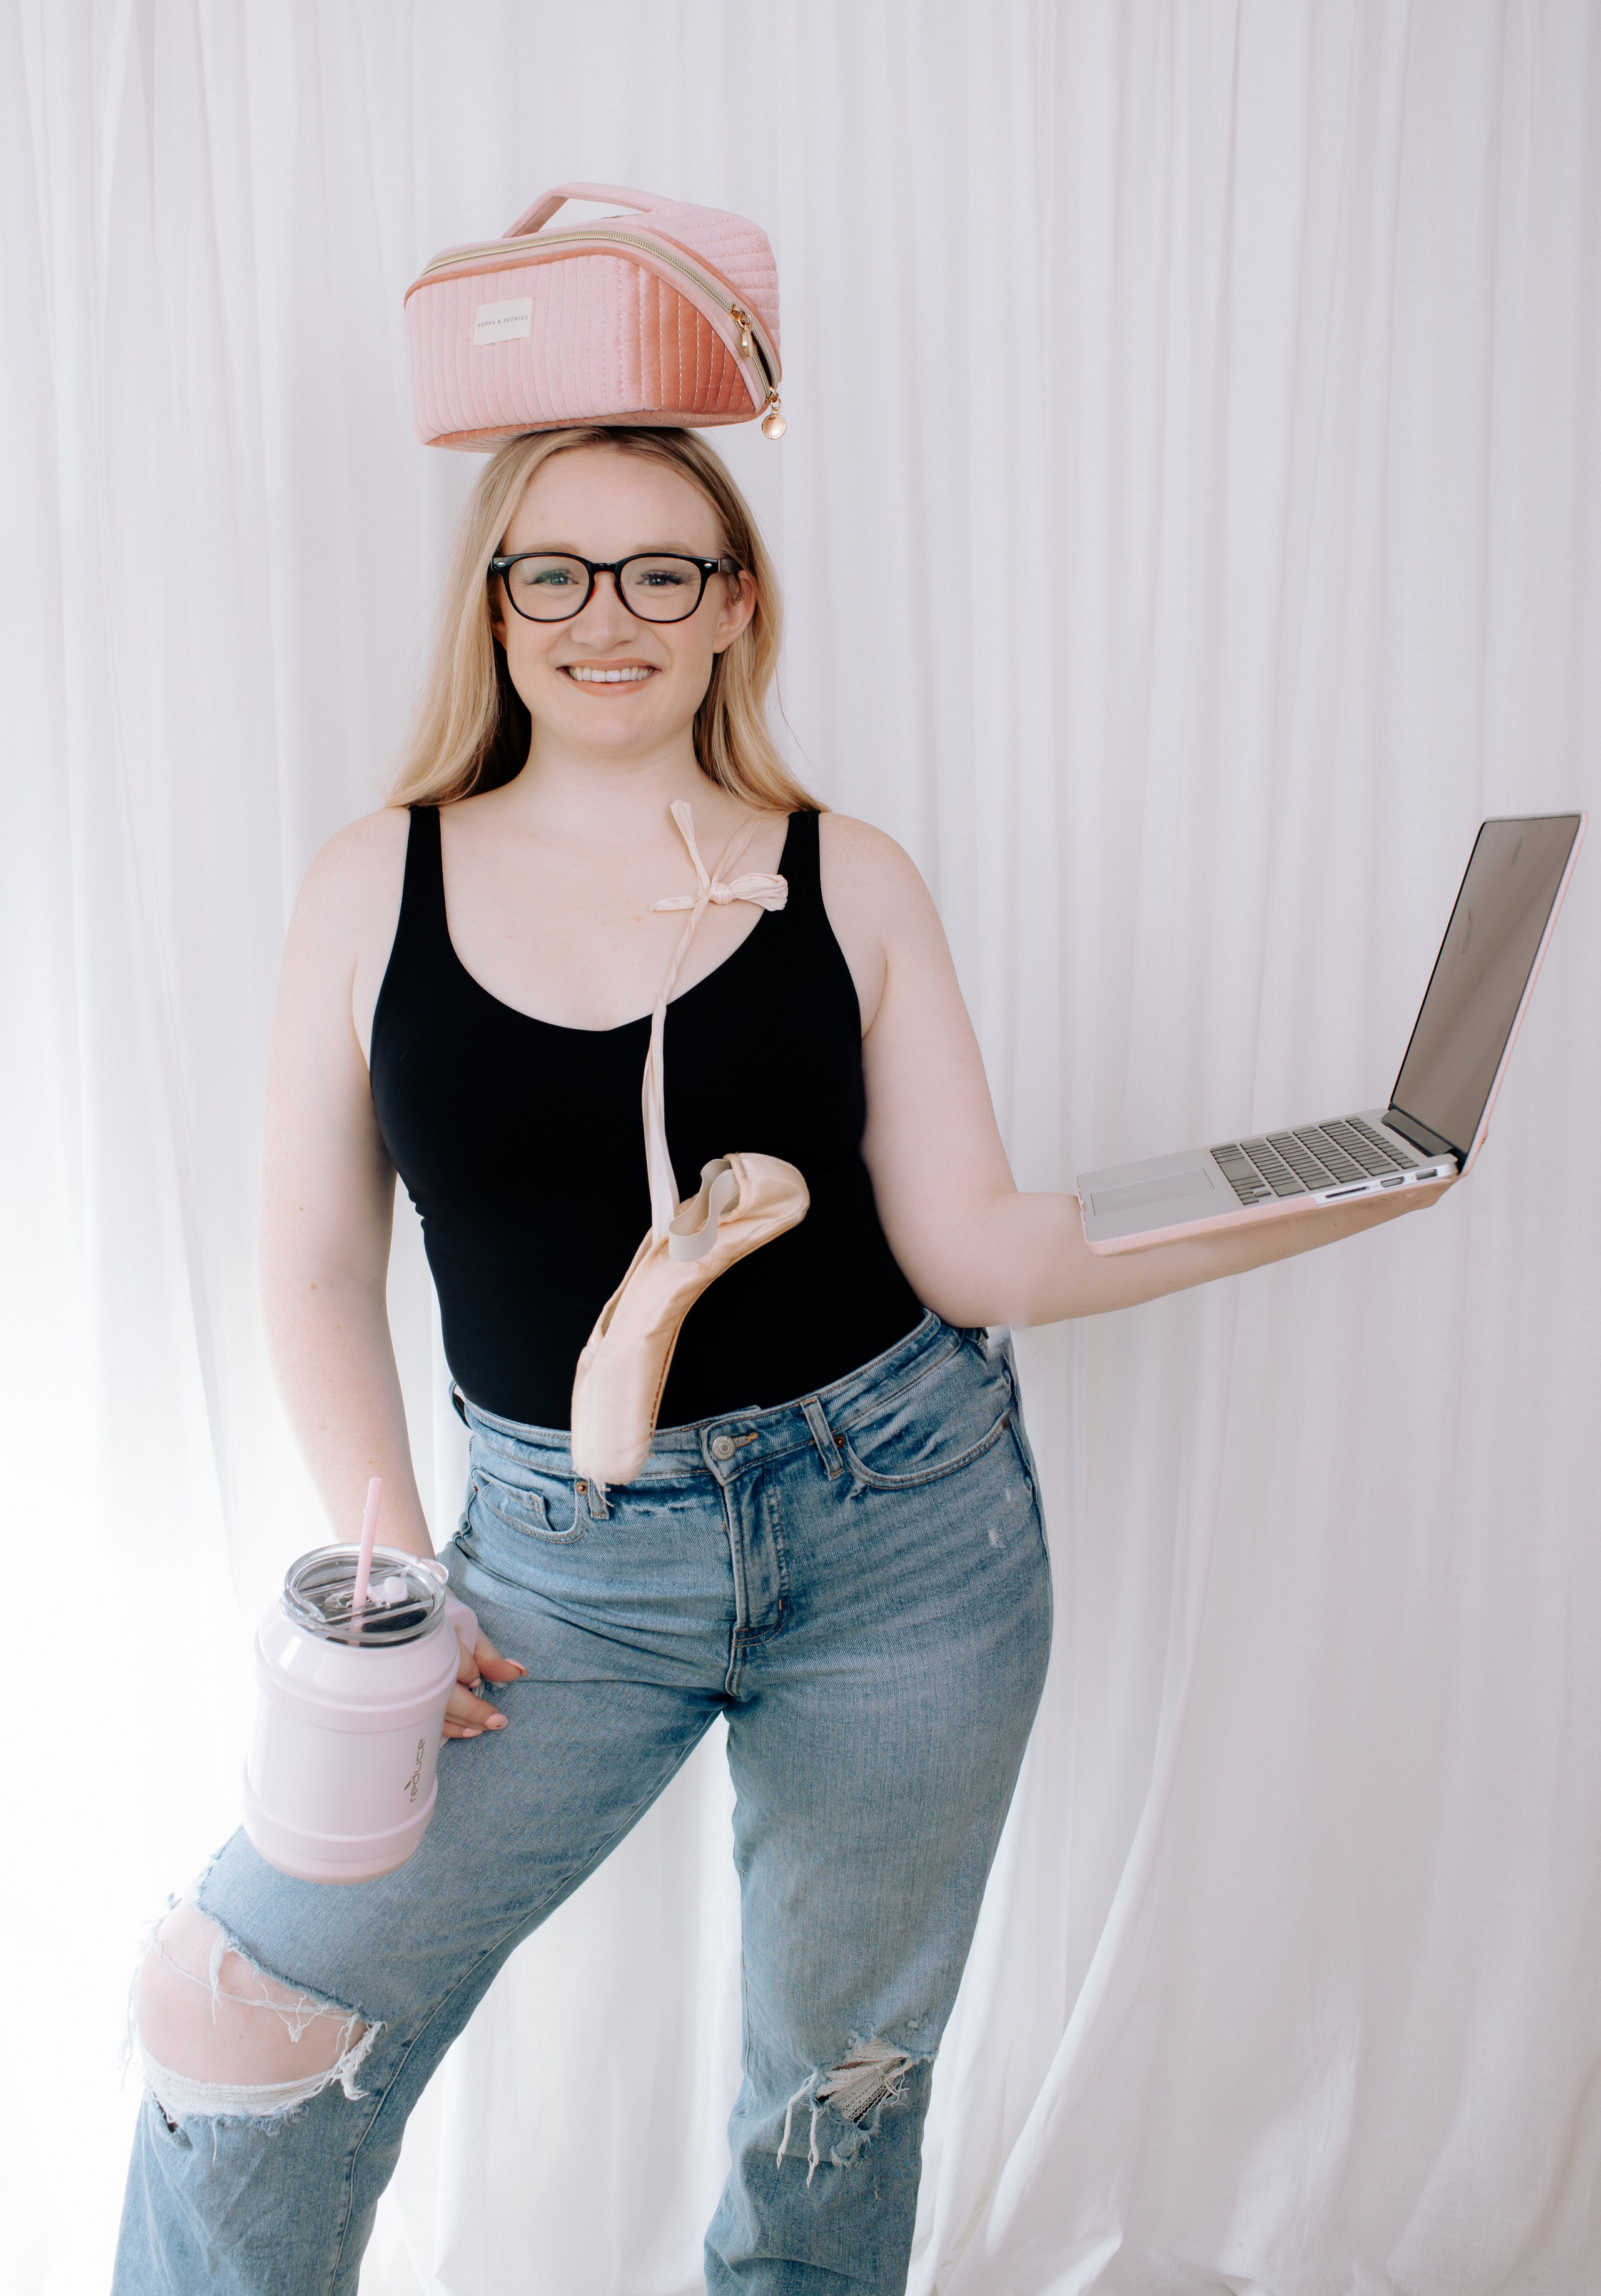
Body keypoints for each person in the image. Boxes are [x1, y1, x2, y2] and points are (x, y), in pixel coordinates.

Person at [114, 423, 1444, 2294]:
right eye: (554, 572)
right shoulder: (373, 883)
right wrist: (402, 1581)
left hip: (913, 1537)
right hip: (556, 1572)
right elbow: (319, 1265)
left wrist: (1355, 1180)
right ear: (494, 611)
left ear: (736, 608)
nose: (609, 616)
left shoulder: (849, 876)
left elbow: (979, 1243)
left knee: (836, 2101)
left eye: (665, 569)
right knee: (240, 2010)